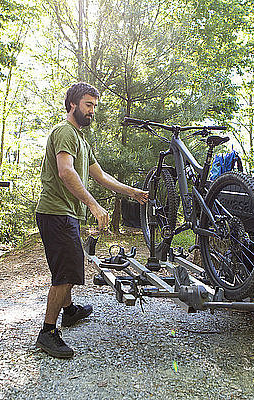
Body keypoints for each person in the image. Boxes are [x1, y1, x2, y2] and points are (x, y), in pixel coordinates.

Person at [35, 82, 148, 358]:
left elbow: (100, 175)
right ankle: (48, 332)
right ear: (72, 104)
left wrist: (131, 191)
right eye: (88, 105)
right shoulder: (65, 132)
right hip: (56, 212)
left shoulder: (81, 140)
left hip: (65, 213)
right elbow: (65, 171)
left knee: (68, 265)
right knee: (67, 270)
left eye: (95, 106)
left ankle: (69, 311)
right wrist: (94, 205)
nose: (92, 111)